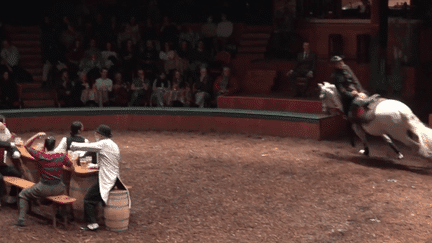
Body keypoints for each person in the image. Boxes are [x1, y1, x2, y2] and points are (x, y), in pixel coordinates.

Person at [69, 125, 130, 231]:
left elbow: (88, 147)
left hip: (107, 178)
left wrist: (73, 145)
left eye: (97, 134)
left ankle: (92, 224)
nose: (96, 135)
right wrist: (95, 166)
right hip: (113, 176)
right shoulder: (113, 144)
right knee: (96, 196)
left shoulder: (104, 143)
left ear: (101, 135)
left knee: (88, 199)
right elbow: (108, 161)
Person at [14, 132, 75, 226]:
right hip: (59, 188)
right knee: (60, 191)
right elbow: (72, 168)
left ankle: (21, 219)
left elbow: (25, 146)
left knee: (23, 194)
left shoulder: (40, 156)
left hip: (43, 187)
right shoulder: (61, 156)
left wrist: (36, 136)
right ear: (54, 146)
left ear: (44, 146)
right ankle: (63, 214)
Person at [330, 56, 378, 122]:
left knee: (366, 93)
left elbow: (355, 80)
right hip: (348, 94)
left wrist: (360, 91)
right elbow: (341, 90)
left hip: (356, 90)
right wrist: (352, 94)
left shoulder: (347, 68)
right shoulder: (335, 76)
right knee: (351, 106)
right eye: (338, 63)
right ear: (335, 65)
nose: (341, 63)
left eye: (341, 61)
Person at [0, 120, 21, 208]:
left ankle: (12, 197)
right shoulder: (5, 143)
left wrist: (15, 151)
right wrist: (9, 144)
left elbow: (11, 147)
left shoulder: (6, 138)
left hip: (2, 166)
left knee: (18, 174)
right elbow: (7, 144)